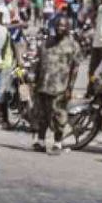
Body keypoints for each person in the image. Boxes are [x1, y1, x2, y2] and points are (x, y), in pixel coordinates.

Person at [31, 14, 82, 155]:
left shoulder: (73, 45)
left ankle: (57, 143)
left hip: (60, 87)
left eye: (64, 26)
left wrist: (70, 88)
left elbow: (75, 68)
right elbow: (39, 63)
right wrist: (35, 82)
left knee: (59, 116)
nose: (61, 28)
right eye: (58, 25)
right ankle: (40, 142)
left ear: (68, 28)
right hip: (43, 85)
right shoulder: (46, 43)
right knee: (42, 115)